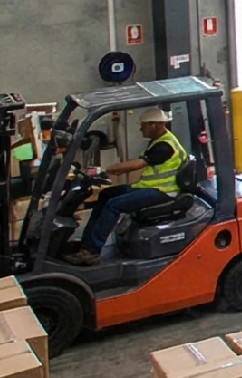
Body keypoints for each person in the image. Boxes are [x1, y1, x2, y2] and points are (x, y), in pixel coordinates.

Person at [66, 109, 188, 263]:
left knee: (113, 205)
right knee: (106, 194)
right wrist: (110, 172)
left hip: (163, 191)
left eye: (143, 125)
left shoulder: (165, 146)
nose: (140, 128)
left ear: (154, 125)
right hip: (150, 187)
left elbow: (137, 164)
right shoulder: (159, 141)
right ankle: (87, 243)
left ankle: (91, 251)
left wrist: (107, 170)